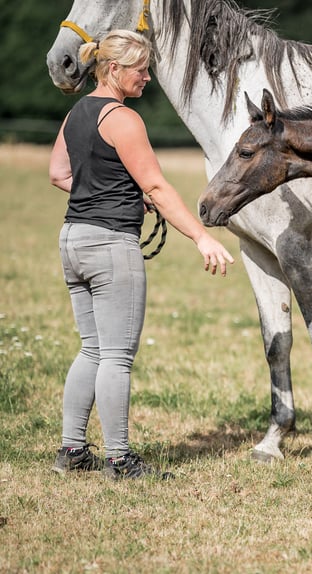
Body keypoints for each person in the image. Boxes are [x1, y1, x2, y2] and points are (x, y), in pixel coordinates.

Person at [48, 30, 235, 480]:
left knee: (91, 349)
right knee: (116, 356)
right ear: (114, 70)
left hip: (73, 238)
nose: (147, 78)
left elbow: (58, 174)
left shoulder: (77, 113)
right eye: (140, 70)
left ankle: (72, 451)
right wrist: (201, 237)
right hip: (111, 244)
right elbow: (156, 186)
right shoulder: (123, 118)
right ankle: (119, 459)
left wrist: (113, 193)